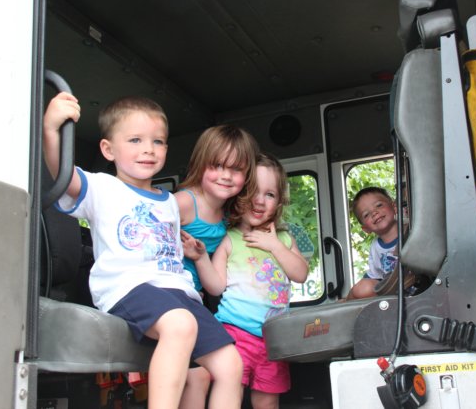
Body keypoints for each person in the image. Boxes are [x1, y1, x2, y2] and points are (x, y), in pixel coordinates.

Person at [42, 92, 243, 409]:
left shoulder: (169, 202)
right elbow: (62, 174)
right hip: (128, 286)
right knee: (180, 324)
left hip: (178, 293)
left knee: (231, 364)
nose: (148, 149)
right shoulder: (102, 187)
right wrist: (50, 130)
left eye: (157, 141)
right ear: (108, 149)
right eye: (135, 140)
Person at [185, 152, 308, 409]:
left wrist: (275, 246)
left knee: (267, 402)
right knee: (230, 391)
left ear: (279, 202)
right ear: (239, 195)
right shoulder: (230, 239)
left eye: (270, 194)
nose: (260, 200)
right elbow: (215, 286)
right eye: (253, 191)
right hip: (235, 332)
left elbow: (300, 274)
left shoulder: (283, 240)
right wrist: (201, 258)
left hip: (273, 338)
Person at [175, 124, 260, 408]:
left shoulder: (227, 214)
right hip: (174, 296)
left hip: (196, 299)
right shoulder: (184, 203)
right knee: (198, 376)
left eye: (236, 169)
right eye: (217, 165)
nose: (226, 175)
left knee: (204, 375)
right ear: (201, 164)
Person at [345, 187, 415, 300]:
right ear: (366, 229)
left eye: (379, 205)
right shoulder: (375, 247)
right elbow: (374, 275)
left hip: (414, 285)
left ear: (394, 207)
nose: (374, 213)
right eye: (366, 214)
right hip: (391, 292)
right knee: (361, 288)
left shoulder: (412, 231)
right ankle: (345, 304)